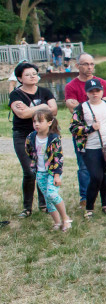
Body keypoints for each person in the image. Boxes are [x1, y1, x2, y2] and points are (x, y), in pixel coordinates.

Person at [64, 53, 106, 206]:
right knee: (84, 167)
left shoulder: (102, 82)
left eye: (91, 64)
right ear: (77, 66)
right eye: (85, 64)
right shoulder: (71, 86)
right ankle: (85, 197)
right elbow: (76, 114)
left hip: (105, 133)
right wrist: (91, 107)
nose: (89, 67)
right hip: (84, 136)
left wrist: (81, 104)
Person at [9, 62, 57, 217]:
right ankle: (27, 207)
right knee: (29, 171)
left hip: (42, 136)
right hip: (22, 136)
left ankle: (44, 204)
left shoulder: (45, 91)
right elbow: (21, 114)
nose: (32, 76)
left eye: (34, 73)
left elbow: (54, 110)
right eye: (28, 74)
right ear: (19, 78)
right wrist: (43, 106)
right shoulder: (15, 95)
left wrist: (31, 110)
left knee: (42, 170)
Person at [27, 110, 71, 231]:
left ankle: (65, 219)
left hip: (52, 172)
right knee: (47, 198)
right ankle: (57, 222)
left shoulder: (54, 138)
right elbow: (29, 151)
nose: (36, 124)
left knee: (52, 194)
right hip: (40, 172)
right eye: (34, 121)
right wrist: (34, 164)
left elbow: (58, 158)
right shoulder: (31, 137)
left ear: (49, 122)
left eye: (40, 121)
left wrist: (56, 175)